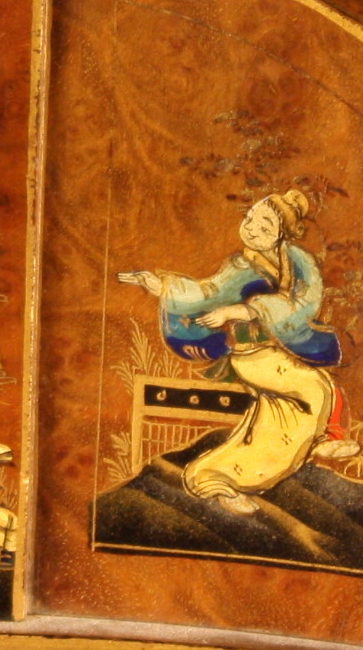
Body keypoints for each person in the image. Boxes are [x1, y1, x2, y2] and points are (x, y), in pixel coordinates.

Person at [117, 188, 349, 511]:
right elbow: (205, 290)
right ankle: (325, 439)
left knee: (276, 428)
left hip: (279, 352)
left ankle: (216, 480)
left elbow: (304, 304)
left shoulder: (295, 263)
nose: (253, 228)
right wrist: (162, 286)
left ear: (282, 235)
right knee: (316, 388)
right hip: (253, 356)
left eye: (265, 227)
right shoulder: (239, 268)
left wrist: (247, 310)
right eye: (251, 218)